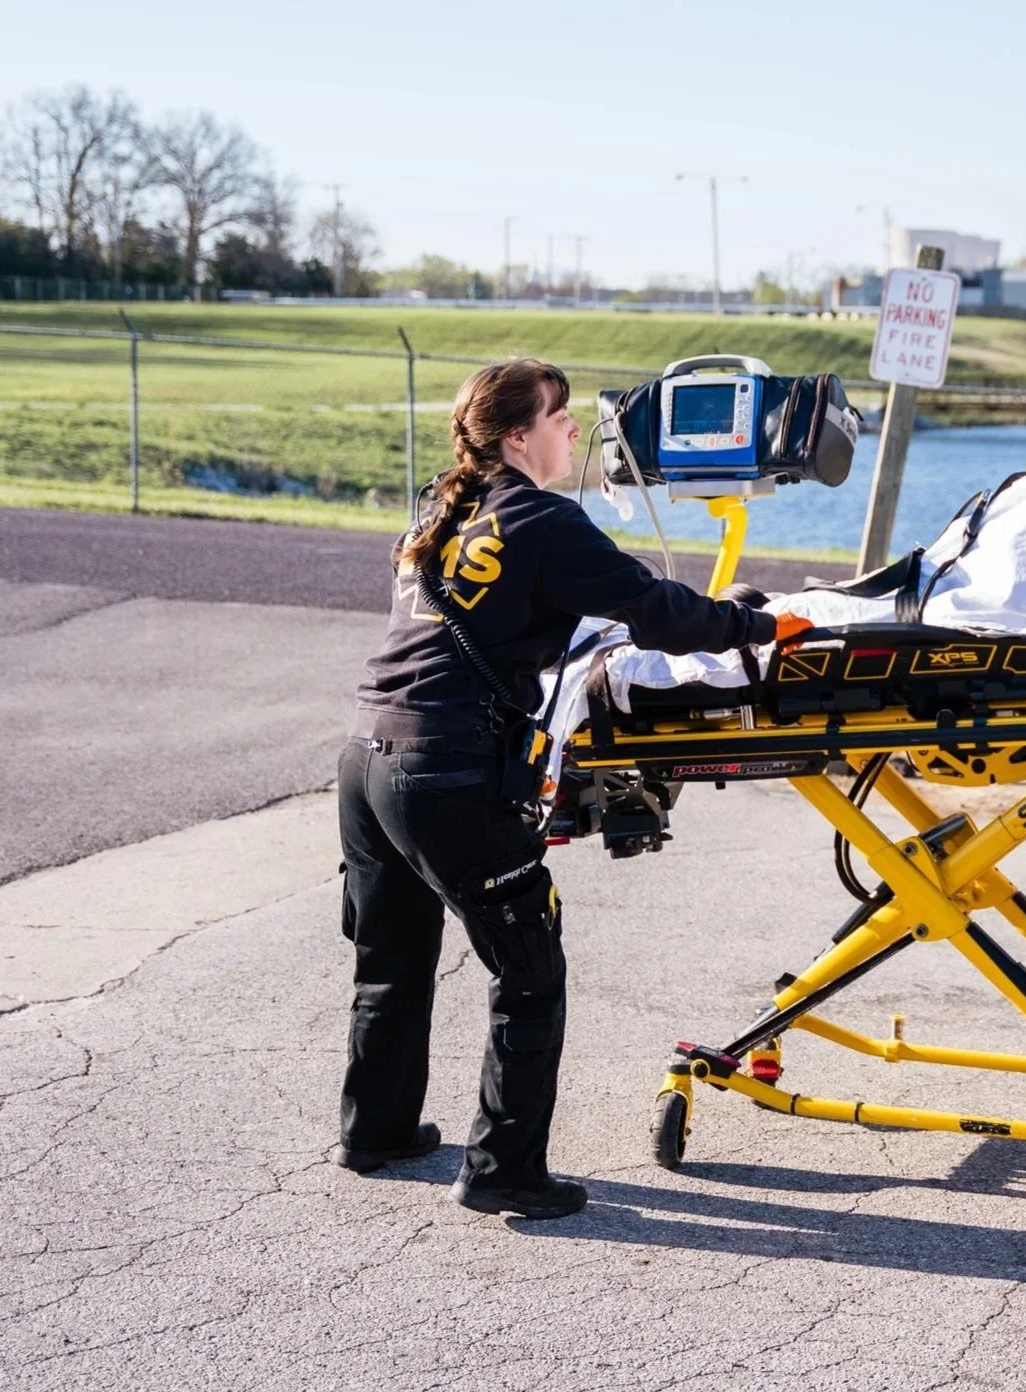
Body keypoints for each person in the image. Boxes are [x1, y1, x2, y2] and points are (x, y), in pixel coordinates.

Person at [333, 357, 802, 1219]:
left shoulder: (444, 510)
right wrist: (762, 625)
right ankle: (506, 1171)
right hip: (445, 770)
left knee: (392, 957)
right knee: (528, 969)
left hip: (367, 759)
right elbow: (657, 609)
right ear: (519, 436)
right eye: (560, 418)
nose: (573, 432)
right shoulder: (542, 519)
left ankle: (378, 1130)